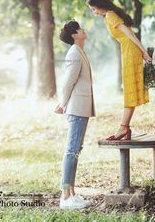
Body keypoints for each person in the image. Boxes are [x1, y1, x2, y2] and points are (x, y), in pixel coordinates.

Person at [86, 0, 152, 141]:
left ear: (99, 6)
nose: (93, 12)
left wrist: (144, 52)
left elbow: (130, 34)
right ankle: (125, 127)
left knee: (130, 89)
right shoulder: (109, 16)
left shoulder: (110, 16)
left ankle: (123, 127)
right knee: (130, 90)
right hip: (128, 50)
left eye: (93, 9)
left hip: (131, 51)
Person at [54, 20, 95, 209]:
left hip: (81, 107)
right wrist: (62, 104)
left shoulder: (79, 52)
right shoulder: (74, 54)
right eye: (78, 28)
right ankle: (65, 197)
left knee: (75, 151)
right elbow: (67, 82)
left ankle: (71, 193)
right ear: (74, 35)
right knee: (71, 151)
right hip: (76, 108)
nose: (82, 29)